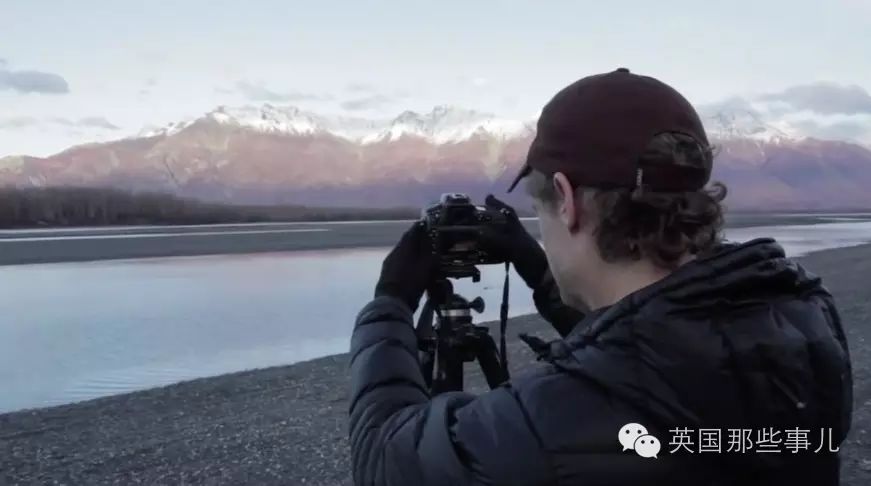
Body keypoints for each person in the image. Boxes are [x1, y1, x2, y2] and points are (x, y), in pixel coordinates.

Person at [348, 68, 853, 485]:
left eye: (541, 214)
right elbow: (646, 352)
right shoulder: (803, 326)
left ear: (566, 202)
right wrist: (532, 262)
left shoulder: (551, 423)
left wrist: (390, 300)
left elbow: (385, 459)